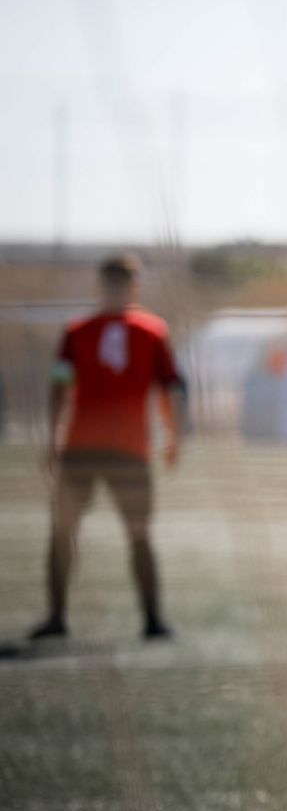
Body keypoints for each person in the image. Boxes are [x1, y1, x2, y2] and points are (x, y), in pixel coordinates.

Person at [31, 254, 185, 641]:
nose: (118, 292)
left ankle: (146, 619)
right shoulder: (105, 331)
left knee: (130, 533)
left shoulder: (134, 331)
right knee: (68, 531)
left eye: (121, 286)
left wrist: (173, 434)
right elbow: (60, 386)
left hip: (107, 448)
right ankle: (65, 618)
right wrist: (174, 435)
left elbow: (169, 388)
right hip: (102, 449)